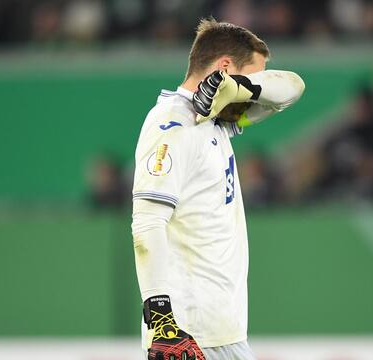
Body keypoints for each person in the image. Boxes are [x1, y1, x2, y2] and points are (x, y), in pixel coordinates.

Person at [131, 18, 304, 360]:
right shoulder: (174, 125)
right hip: (192, 334)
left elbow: (292, 88)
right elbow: (147, 222)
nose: (260, 87)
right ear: (225, 67)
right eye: (255, 76)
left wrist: (242, 88)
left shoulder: (216, 120)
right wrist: (162, 319)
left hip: (217, 332)